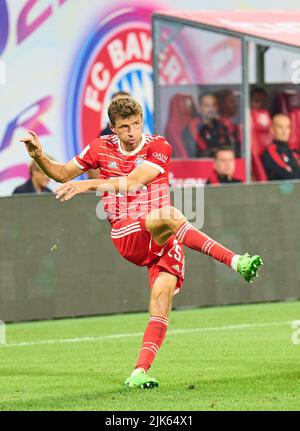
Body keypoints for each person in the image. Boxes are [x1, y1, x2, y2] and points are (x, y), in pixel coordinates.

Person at [20, 96, 263, 389]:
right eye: (124, 127)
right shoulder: (99, 148)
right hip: (128, 232)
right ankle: (236, 261)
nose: (132, 132)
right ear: (113, 127)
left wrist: (90, 183)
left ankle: (139, 372)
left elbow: (134, 181)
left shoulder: (159, 146)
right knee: (170, 215)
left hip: (163, 235)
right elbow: (60, 174)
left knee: (161, 300)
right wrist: (39, 156)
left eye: (136, 124)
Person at [182, 93, 237, 158]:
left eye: (214, 105)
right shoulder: (191, 128)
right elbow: (194, 154)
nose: (211, 109)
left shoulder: (222, 126)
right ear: (199, 108)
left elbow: (231, 149)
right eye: (207, 105)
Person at [262, 114, 300, 180]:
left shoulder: (293, 151)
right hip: (282, 188)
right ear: (272, 130)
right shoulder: (270, 152)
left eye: (287, 127)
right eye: (280, 127)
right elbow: (287, 175)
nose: (284, 131)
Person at [215, 88, 242, 157]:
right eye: (231, 101)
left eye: (234, 101)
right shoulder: (213, 127)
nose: (235, 104)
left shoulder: (236, 128)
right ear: (221, 104)